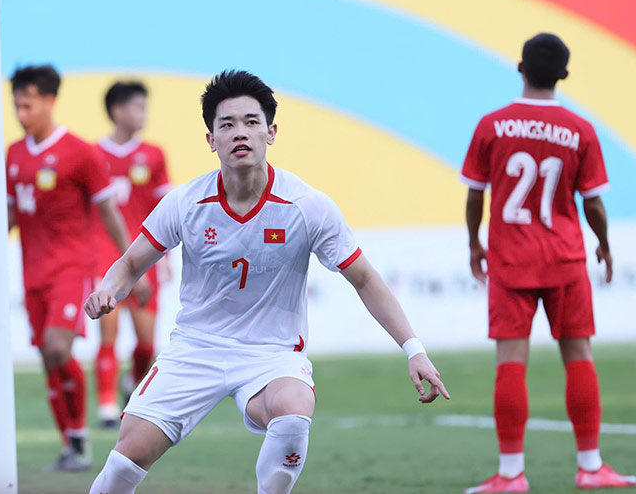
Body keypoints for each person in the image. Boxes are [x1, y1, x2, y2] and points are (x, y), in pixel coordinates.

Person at [86, 70, 450, 494]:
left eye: (251, 122)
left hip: (271, 354)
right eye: (227, 124)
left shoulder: (306, 205)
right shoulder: (186, 202)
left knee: (294, 411)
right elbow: (131, 263)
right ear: (211, 140)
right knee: (126, 458)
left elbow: (365, 279)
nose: (240, 132)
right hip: (195, 349)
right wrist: (109, 289)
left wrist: (414, 349)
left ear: (271, 132)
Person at [461, 34, 636, 493]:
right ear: (564, 75)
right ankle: (591, 466)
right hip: (564, 258)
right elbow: (593, 202)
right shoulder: (581, 129)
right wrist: (604, 244)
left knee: (510, 363)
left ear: (520, 68)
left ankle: (511, 474)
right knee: (578, 356)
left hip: (510, 259)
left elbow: (476, 194)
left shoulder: (492, 125)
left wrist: (474, 243)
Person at [5, 65, 150, 471]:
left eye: (28, 105)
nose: (21, 113)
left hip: (72, 268)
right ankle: (73, 442)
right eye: (16, 105)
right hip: (32, 273)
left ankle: (82, 434)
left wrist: (132, 266)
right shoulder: (13, 155)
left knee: (57, 347)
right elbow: (10, 216)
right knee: (46, 356)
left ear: (50, 101)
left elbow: (109, 212)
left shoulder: (81, 152)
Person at [93, 81, 173, 428]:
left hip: (145, 256)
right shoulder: (92, 154)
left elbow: (165, 209)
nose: (144, 114)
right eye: (138, 107)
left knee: (145, 343)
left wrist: (167, 259)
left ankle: (132, 384)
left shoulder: (154, 154)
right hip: (103, 255)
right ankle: (107, 405)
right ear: (117, 111)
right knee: (107, 332)